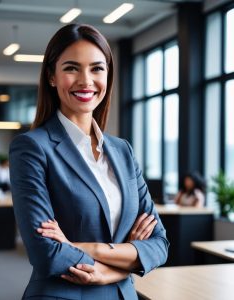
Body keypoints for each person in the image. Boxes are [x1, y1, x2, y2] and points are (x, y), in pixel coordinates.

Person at [9, 24, 169, 300]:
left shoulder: (122, 151)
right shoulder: (32, 148)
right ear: (51, 76)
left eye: (97, 68)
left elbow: (159, 245)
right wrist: (127, 256)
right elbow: (46, 253)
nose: (86, 80)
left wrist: (93, 257)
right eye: (71, 68)